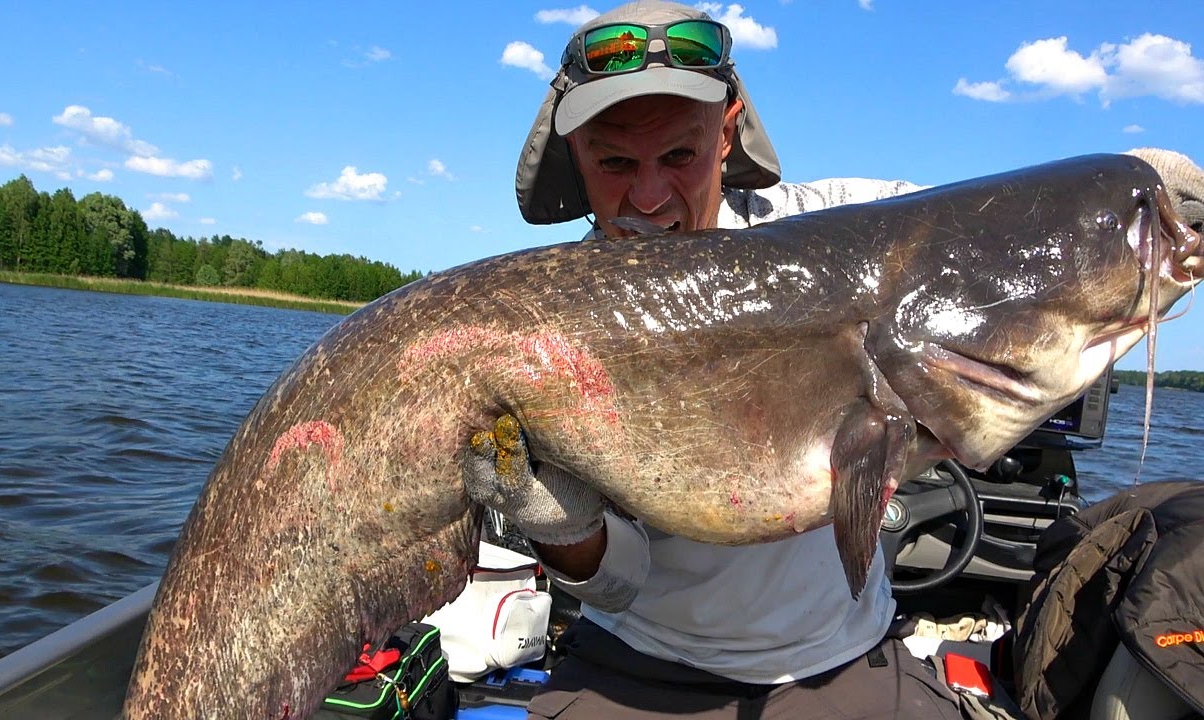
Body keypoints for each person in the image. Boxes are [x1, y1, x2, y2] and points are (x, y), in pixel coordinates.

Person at [463, 2, 1204, 719]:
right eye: (616, 161)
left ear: (726, 135)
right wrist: (558, 525)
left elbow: (975, 230)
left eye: (680, 154)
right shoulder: (544, 329)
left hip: (836, 662)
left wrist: (1137, 195)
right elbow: (619, 586)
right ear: (576, 158)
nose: (650, 194)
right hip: (639, 663)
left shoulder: (831, 229)